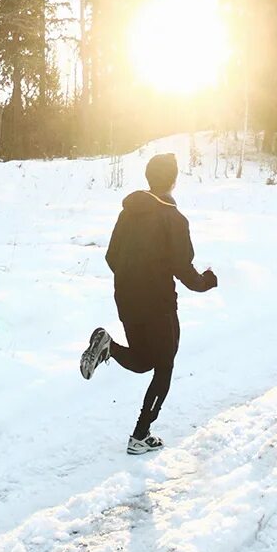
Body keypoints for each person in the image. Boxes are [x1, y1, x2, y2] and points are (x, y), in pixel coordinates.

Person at [78, 151, 218, 455]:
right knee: (163, 367)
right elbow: (184, 269)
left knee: (143, 361)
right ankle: (140, 435)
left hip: (127, 299)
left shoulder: (127, 213)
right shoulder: (174, 218)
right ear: (173, 180)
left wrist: (133, 278)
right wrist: (207, 280)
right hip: (158, 304)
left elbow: (111, 256)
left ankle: (108, 346)